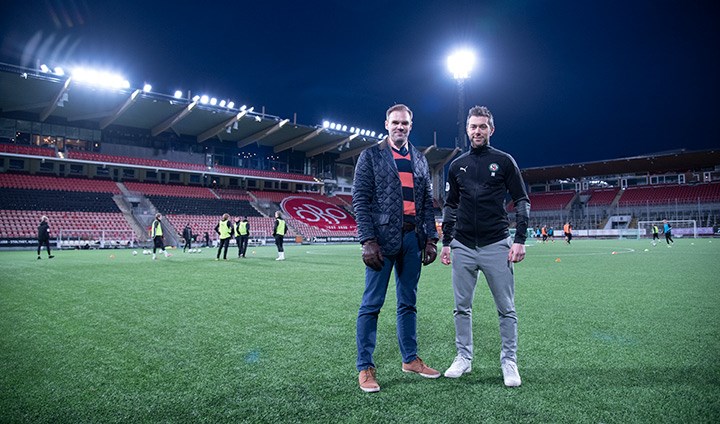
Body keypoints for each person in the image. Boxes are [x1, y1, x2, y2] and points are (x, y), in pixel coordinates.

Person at [440, 105, 530, 387]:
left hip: (496, 244)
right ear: (467, 130)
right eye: (473, 127)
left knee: (506, 308)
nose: (477, 131)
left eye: (482, 126)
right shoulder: (456, 166)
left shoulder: (504, 161)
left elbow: (522, 200)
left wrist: (520, 239)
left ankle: (509, 362)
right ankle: (463, 358)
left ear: (491, 129)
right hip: (462, 245)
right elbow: (450, 205)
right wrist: (446, 243)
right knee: (461, 307)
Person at [353, 104, 440, 393]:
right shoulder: (371, 156)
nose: (399, 127)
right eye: (395, 122)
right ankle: (365, 367)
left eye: (404, 123)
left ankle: (410, 359)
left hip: (412, 240)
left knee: (408, 303)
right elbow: (360, 200)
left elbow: (427, 203)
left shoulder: (419, 159)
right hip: (381, 241)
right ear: (386, 124)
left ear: (410, 126)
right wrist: (367, 240)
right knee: (371, 305)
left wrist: (430, 239)